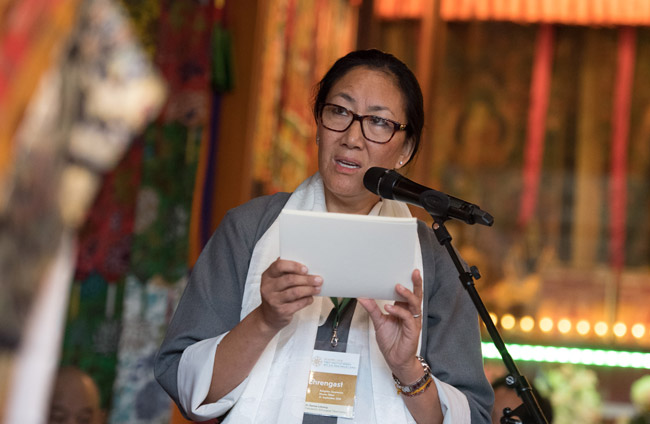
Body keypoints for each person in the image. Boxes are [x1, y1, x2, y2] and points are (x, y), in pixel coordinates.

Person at [155, 49, 494, 423]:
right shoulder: (249, 229)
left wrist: (406, 368)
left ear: (406, 149)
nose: (352, 137)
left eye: (378, 122)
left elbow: (470, 416)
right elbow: (187, 389)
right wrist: (265, 320)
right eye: (339, 112)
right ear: (318, 125)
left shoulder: (435, 260)